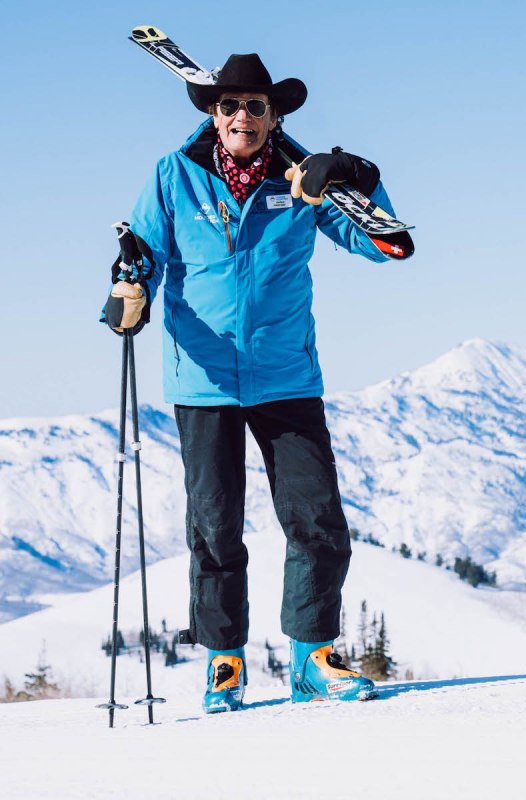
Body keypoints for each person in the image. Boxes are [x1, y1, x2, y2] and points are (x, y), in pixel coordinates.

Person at [102, 53, 412, 712]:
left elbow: (381, 243)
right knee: (214, 529)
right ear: (214, 115)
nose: (242, 116)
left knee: (318, 522)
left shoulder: (302, 185)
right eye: (230, 106)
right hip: (204, 378)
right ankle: (223, 661)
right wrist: (130, 285)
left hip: (285, 375)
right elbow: (144, 253)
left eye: (255, 106)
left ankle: (313, 659)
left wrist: (359, 175)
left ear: (275, 117)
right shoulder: (174, 176)